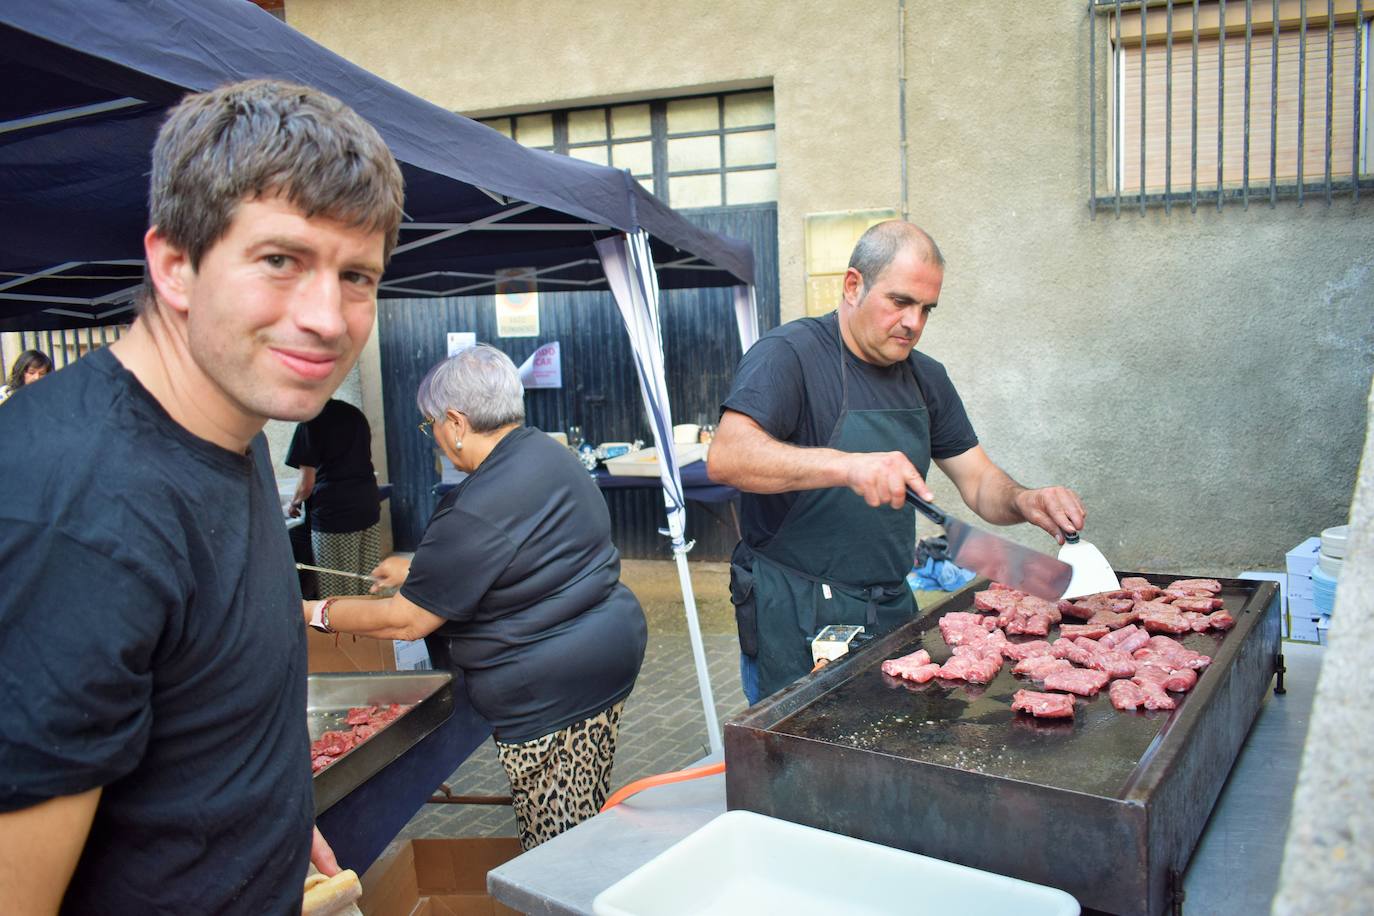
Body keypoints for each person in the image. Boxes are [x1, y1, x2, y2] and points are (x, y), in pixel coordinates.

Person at [0, 79, 404, 913]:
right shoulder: (73, 511)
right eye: (281, 260)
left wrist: (274, 824)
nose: (328, 316)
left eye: (357, 275)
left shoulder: (237, 429)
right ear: (175, 265)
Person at [707, 220, 1086, 704]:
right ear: (853, 286)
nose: (914, 323)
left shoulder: (927, 379)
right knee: (797, 770)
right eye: (901, 302)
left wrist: (1025, 498)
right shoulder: (788, 356)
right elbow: (728, 456)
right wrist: (848, 467)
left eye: (927, 309)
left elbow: (980, 482)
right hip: (796, 613)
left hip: (890, 609)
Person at [303, 344, 647, 850]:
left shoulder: (474, 506)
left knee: (557, 847)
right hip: (602, 654)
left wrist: (315, 612)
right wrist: (422, 566)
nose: (435, 439)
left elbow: (406, 622)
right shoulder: (545, 453)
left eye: (431, 426)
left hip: (552, 690)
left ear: (457, 422)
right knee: (581, 815)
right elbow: (523, 550)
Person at [287, 398, 382, 597]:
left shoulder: (310, 422)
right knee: (367, 581)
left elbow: (306, 484)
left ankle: (345, 628)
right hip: (368, 505)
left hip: (336, 515)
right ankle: (366, 626)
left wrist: (294, 503)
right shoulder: (354, 414)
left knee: (338, 588)